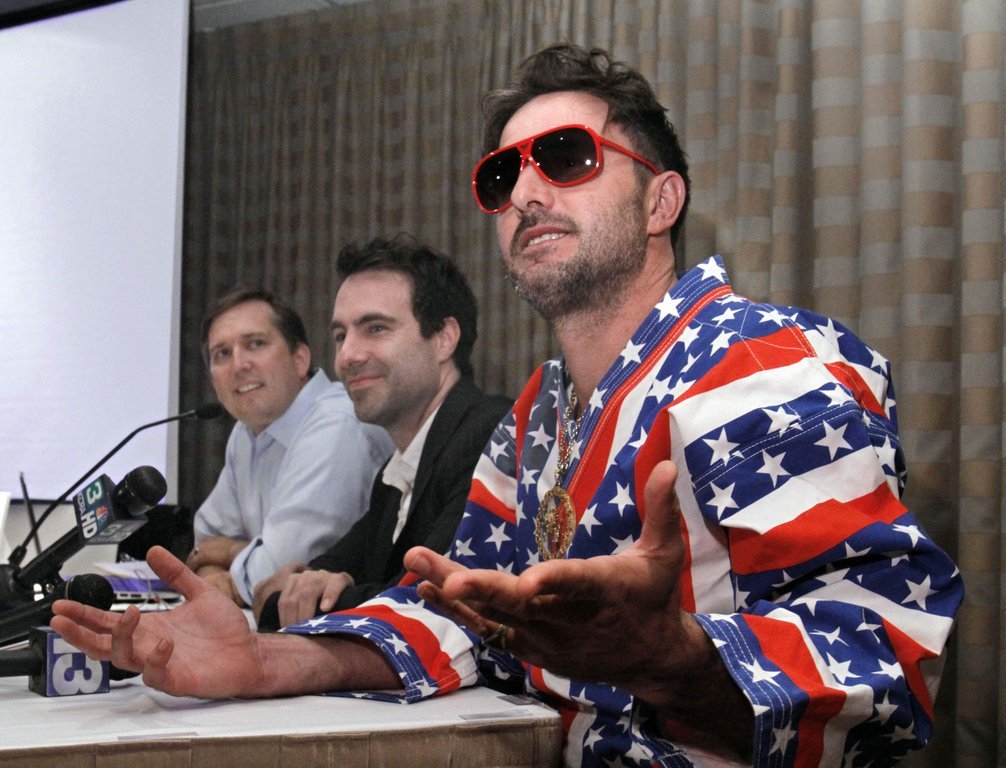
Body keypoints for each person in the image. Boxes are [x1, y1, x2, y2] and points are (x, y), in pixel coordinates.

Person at [53, 44, 963, 767]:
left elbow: (883, 668)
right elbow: (465, 621)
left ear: (661, 200)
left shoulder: (764, 365)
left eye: (565, 158)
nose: (525, 193)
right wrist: (263, 662)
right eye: (501, 177)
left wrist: (667, 656)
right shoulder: (536, 418)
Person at [253, 236, 511, 630]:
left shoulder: (490, 437)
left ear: (444, 338)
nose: (347, 356)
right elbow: (296, 587)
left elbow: (427, 604)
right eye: (341, 336)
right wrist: (307, 588)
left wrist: (310, 597)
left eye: (375, 328)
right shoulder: (395, 475)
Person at [188, 287, 394, 607]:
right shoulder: (246, 431)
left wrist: (229, 554)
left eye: (255, 344)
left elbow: (274, 574)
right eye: (222, 354)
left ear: (300, 359)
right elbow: (204, 545)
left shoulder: (337, 424)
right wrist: (219, 569)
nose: (238, 364)